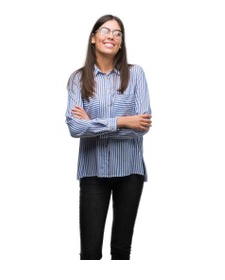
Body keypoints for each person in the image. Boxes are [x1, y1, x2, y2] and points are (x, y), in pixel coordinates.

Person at [65, 14, 151, 260]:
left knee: (121, 251)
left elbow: (142, 125)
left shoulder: (136, 75)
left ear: (121, 43)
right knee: (90, 253)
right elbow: (74, 128)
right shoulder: (78, 79)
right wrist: (123, 120)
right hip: (93, 172)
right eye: (105, 31)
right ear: (93, 38)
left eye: (117, 33)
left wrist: (92, 123)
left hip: (129, 172)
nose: (111, 37)